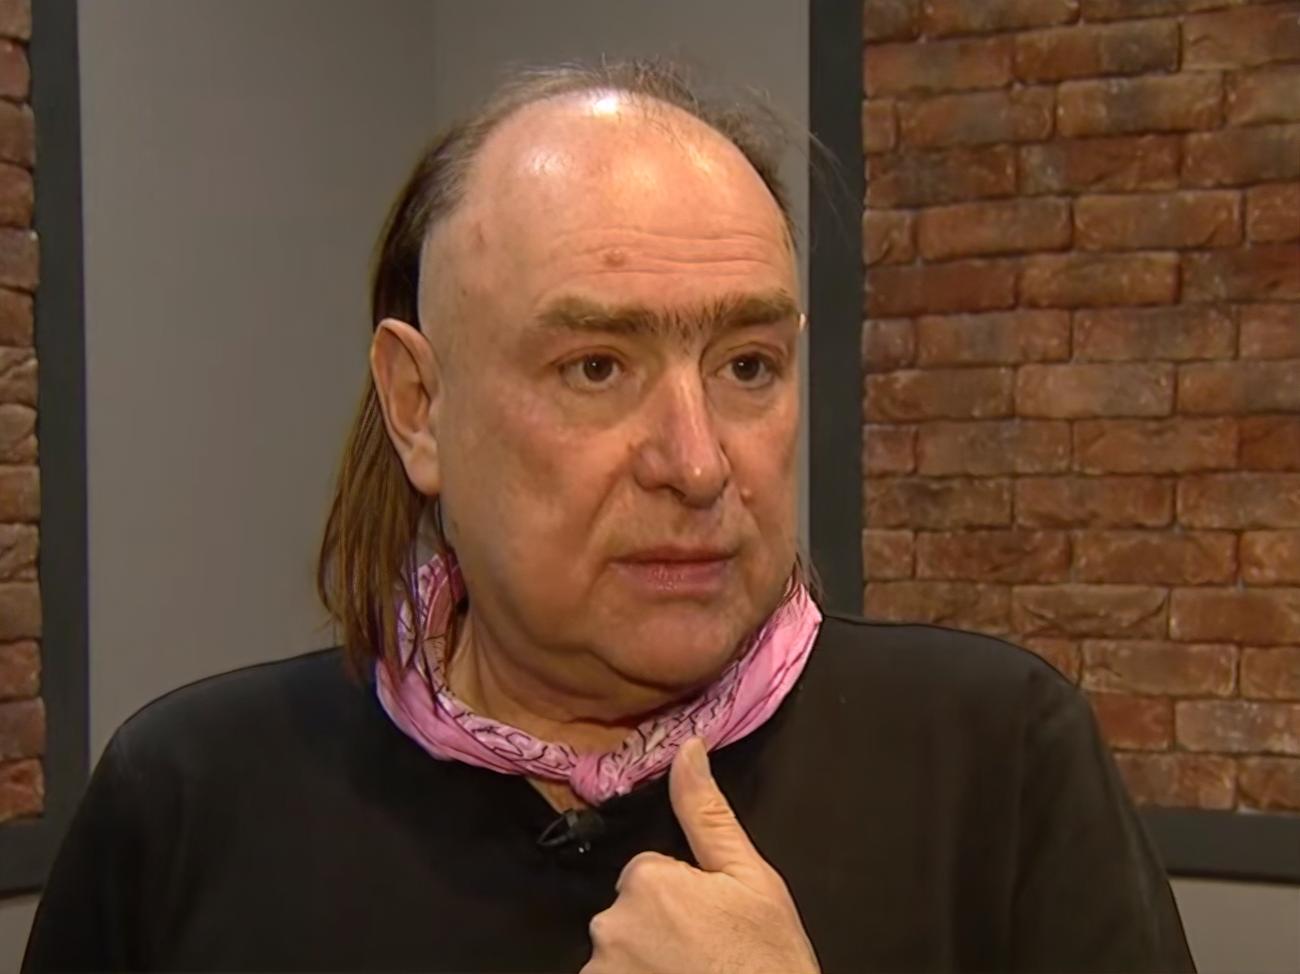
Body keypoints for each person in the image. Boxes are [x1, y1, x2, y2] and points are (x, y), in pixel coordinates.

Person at [24, 60, 1195, 973]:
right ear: (418, 404)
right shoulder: (189, 798)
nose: (697, 462)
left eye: (747, 365)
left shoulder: (995, 762)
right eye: (596, 367)